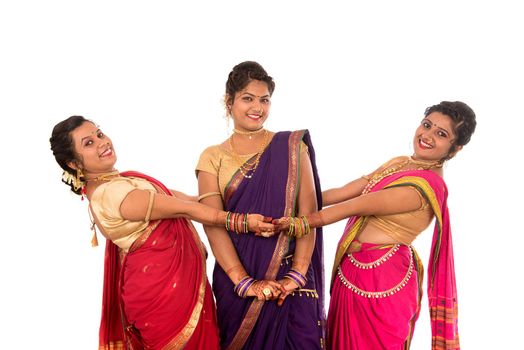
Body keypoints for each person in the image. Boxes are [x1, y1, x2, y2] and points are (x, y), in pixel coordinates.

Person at [49, 115, 276, 350]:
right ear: (73, 164)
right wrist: (241, 222)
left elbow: (196, 201)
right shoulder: (110, 194)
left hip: (174, 288)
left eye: (99, 133)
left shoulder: (127, 181)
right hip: (164, 297)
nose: (102, 142)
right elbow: (187, 209)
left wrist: (247, 197)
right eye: (88, 143)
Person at [274, 101, 476, 349]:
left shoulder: (427, 186)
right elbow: (344, 192)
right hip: (352, 273)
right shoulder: (400, 163)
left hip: (385, 280)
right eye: (427, 125)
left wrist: (301, 221)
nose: (427, 135)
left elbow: (357, 205)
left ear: (455, 149)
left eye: (441, 134)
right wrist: (287, 199)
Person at [196, 61, 326, 349]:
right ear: (228, 102)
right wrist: (243, 282)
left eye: (264, 100)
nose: (258, 107)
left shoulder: (292, 147)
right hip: (236, 279)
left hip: (292, 279)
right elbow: (212, 223)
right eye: (248, 98)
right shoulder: (212, 157)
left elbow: (308, 216)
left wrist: (297, 274)